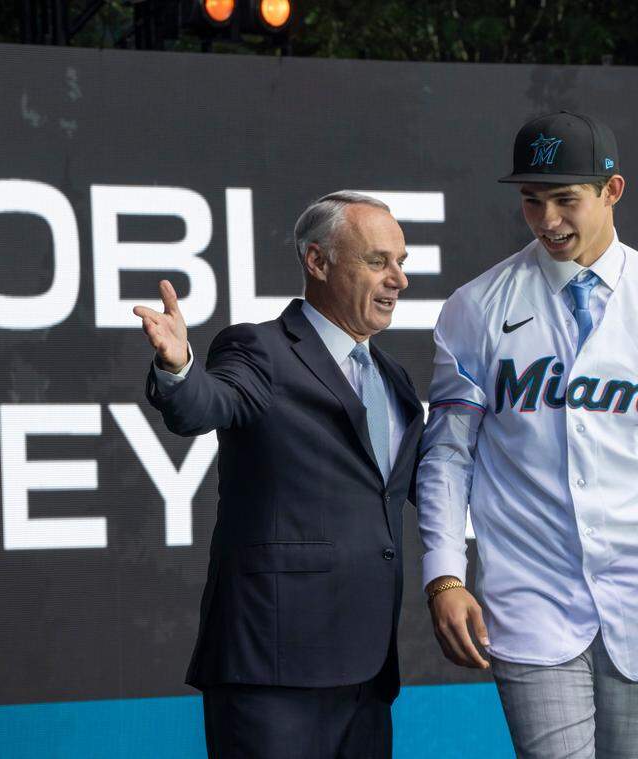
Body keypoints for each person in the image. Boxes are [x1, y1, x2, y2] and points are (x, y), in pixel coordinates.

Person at [417, 111, 638, 758]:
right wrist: (445, 575)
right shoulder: (477, 306)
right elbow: (447, 459)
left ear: (612, 191)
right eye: (532, 201)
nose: (547, 221)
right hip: (530, 597)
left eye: (565, 199)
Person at [136, 191, 423, 758]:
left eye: (401, 262)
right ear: (317, 262)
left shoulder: (394, 379)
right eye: (377, 261)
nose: (398, 280)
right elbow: (205, 403)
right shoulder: (260, 349)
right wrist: (178, 368)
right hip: (273, 668)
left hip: (367, 674)